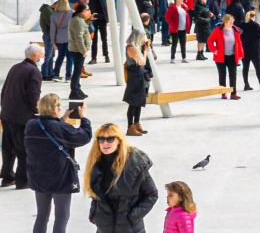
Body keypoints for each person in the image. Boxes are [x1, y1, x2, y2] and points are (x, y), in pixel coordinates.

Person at [26, 94, 92, 233]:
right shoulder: (62, 128)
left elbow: (49, 129)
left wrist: (62, 119)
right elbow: (84, 136)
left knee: (42, 215)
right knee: (62, 216)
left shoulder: (31, 125)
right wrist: (84, 118)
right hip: (60, 177)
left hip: (38, 177)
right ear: (55, 109)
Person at [85, 123, 158, 233]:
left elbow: (152, 194)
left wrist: (132, 216)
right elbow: (96, 195)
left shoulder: (134, 163)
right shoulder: (96, 163)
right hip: (104, 228)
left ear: (119, 140)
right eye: (101, 139)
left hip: (130, 229)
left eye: (110, 139)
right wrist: (94, 214)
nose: (105, 143)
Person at [1, 44, 45, 189]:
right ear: (34, 55)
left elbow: (4, 91)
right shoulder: (33, 71)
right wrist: (37, 113)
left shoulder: (15, 67)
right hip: (21, 118)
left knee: (8, 148)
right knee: (24, 150)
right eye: (41, 54)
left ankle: (7, 177)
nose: (43, 57)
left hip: (7, 114)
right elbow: (33, 95)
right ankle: (22, 180)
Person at [207, 14, 245, 100]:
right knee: (222, 75)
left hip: (232, 56)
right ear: (225, 22)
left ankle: (233, 93)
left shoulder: (235, 30)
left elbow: (239, 43)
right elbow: (210, 41)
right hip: (221, 56)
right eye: (229, 21)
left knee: (233, 75)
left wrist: (240, 54)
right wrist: (215, 50)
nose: (231, 23)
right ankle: (223, 92)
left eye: (232, 21)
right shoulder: (218, 30)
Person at [123, 30, 153, 137]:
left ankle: (136, 123)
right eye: (142, 37)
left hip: (140, 75)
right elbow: (141, 62)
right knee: (133, 102)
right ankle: (130, 126)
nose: (143, 40)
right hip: (134, 76)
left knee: (139, 101)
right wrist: (145, 51)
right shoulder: (131, 48)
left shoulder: (136, 47)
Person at [239, 11, 260, 93]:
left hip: (245, 48)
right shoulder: (255, 25)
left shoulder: (242, 24)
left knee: (245, 68)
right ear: (254, 16)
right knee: (258, 68)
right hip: (254, 48)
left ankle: (246, 84)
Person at [68, 3, 92, 100]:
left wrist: (89, 20)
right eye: (87, 10)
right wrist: (83, 50)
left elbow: (82, 27)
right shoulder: (78, 21)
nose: (88, 11)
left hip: (75, 49)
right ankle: (74, 91)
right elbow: (79, 37)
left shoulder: (77, 19)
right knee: (77, 71)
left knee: (78, 70)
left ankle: (77, 89)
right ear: (83, 10)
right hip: (78, 50)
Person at [50, 0, 73, 82]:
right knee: (70, 57)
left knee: (60, 57)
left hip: (59, 38)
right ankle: (68, 76)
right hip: (69, 37)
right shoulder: (71, 13)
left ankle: (56, 74)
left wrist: (53, 42)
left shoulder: (54, 15)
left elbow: (52, 30)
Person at [164, 0, 191, 64]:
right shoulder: (172, 7)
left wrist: (188, 26)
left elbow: (187, 17)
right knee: (174, 43)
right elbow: (167, 17)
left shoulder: (183, 7)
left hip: (183, 29)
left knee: (183, 44)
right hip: (175, 29)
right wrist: (173, 24)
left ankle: (184, 57)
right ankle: (173, 57)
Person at [88, 0, 110, 65]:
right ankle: (94, 58)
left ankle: (106, 56)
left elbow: (108, 7)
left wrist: (107, 17)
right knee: (94, 40)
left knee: (104, 39)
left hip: (102, 20)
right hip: (93, 21)